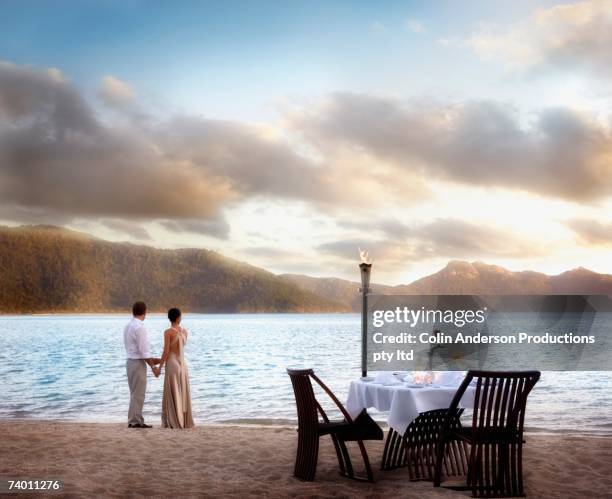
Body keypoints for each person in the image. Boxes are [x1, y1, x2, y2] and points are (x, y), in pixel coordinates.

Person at [123, 301, 161, 428]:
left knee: (134, 393)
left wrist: (158, 361)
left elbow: (140, 351)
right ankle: (135, 421)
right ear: (145, 311)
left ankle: (134, 420)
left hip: (129, 362)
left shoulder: (128, 326)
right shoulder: (140, 327)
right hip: (138, 363)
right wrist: (154, 367)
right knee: (138, 394)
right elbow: (144, 352)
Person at [158, 308, 194, 428]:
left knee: (173, 391)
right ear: (178, 317)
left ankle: (174, 419)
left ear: (170, 318)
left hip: (172, 364)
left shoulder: (168, 332)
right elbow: (181, 349)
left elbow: (166, 352)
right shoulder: (184, 332)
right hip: (183, 364)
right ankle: (184, 420)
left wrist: (159, 367)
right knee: (182, 391)